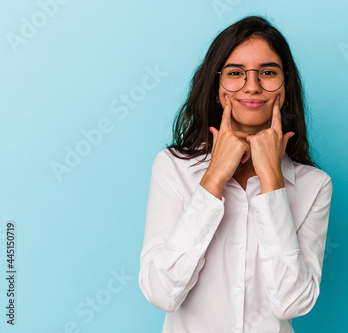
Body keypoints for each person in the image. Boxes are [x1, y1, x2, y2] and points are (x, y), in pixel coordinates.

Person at [139, 15, 333, 333]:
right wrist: (213, 178)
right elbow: (161, 292)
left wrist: (272, 182)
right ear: (217, 90)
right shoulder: (173, 168)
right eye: (235, 73)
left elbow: (293, 302)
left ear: (285, 88)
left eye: (268, 73)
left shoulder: (314, 186)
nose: (252, 86)